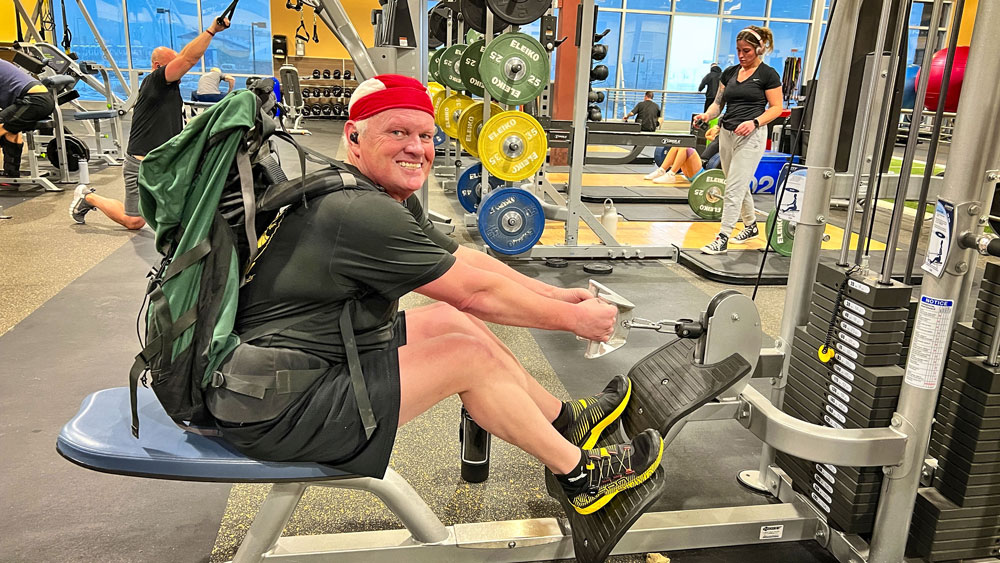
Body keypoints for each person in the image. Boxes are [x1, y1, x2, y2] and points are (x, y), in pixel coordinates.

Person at [205, 75, 665, 515]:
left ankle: (564, 421)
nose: (417, 149)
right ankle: (581, 477)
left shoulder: (375, 190)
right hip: (277, 407)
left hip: (302, 364)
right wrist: (575, 322)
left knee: (453, 323)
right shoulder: (360, 212)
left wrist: (555, 296)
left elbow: (466, 262)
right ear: (355, 136)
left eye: (426, 135)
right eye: (398, 132)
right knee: (467, 356)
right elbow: (475, 293)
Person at [69, 18, 230, 229]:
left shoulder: (171, 90)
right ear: (157, 66)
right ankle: (87, 197)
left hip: (164, 163)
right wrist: (212, 31)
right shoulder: (156, 80)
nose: (181, 70)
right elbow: (188, 59)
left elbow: (184, 60)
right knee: (134, 221)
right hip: (141, 164)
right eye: (173, 65)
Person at [694, 26, 783, 255]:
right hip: (727, 133)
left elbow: (776, 108)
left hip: (751, 136)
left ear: (759, 49)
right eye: (739, 51)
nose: (742, 56)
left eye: (747, 51)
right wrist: (707, 115)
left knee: (733, 188)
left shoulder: (768, 74)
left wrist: (755, 122)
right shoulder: (730, 72)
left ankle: (722, 237)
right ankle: (751, 225)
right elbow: (718, 104)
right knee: (736, 182)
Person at [0, 59, 55, 179]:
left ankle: (11, 174)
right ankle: (11, 175)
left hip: (33, 101)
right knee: (11, 129)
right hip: (43, 100)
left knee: (2, 126)